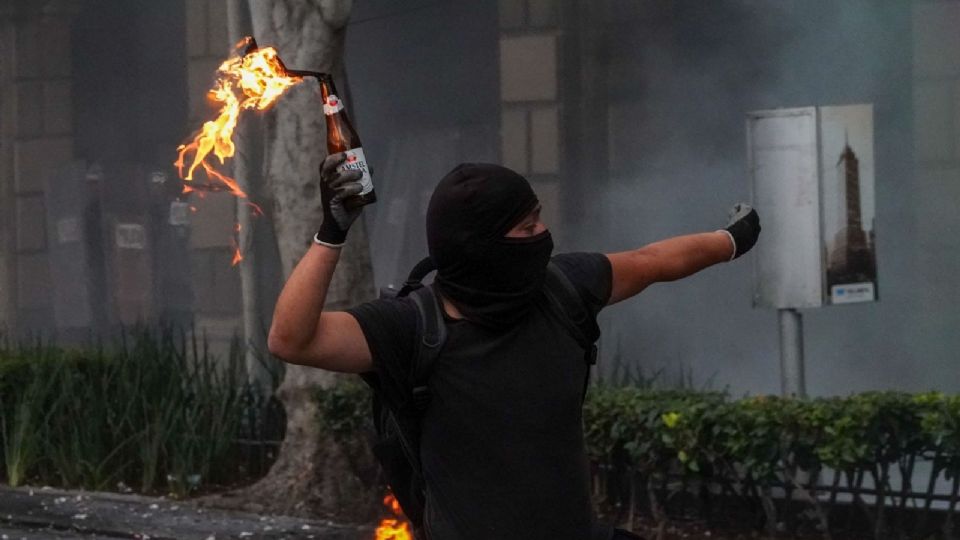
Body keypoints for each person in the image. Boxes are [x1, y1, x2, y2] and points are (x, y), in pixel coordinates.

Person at [268, 154, 761, 540]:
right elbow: (292, 338)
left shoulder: (564, 288)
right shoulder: (410, 327)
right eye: (525, 229)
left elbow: (651, 261)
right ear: (476, 246)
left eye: (538, 220)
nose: (542, 235)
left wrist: (730, 240)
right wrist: (332, 233)